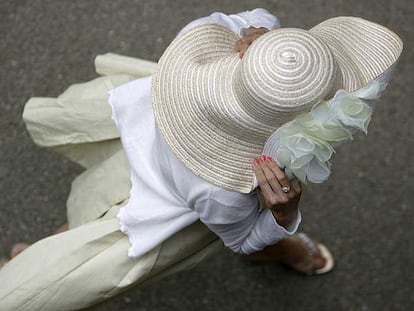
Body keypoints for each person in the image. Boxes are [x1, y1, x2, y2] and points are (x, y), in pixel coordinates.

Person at [0, 8, 402, 310]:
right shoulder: (221, 192)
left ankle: (45, 248)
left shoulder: (209, 44)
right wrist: (282, 217)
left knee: (100, 193)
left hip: (144, 132)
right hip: (172, 197)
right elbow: (240, 238)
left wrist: (258, 34)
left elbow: (253, 16)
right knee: (103, 225)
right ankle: (45, 253)